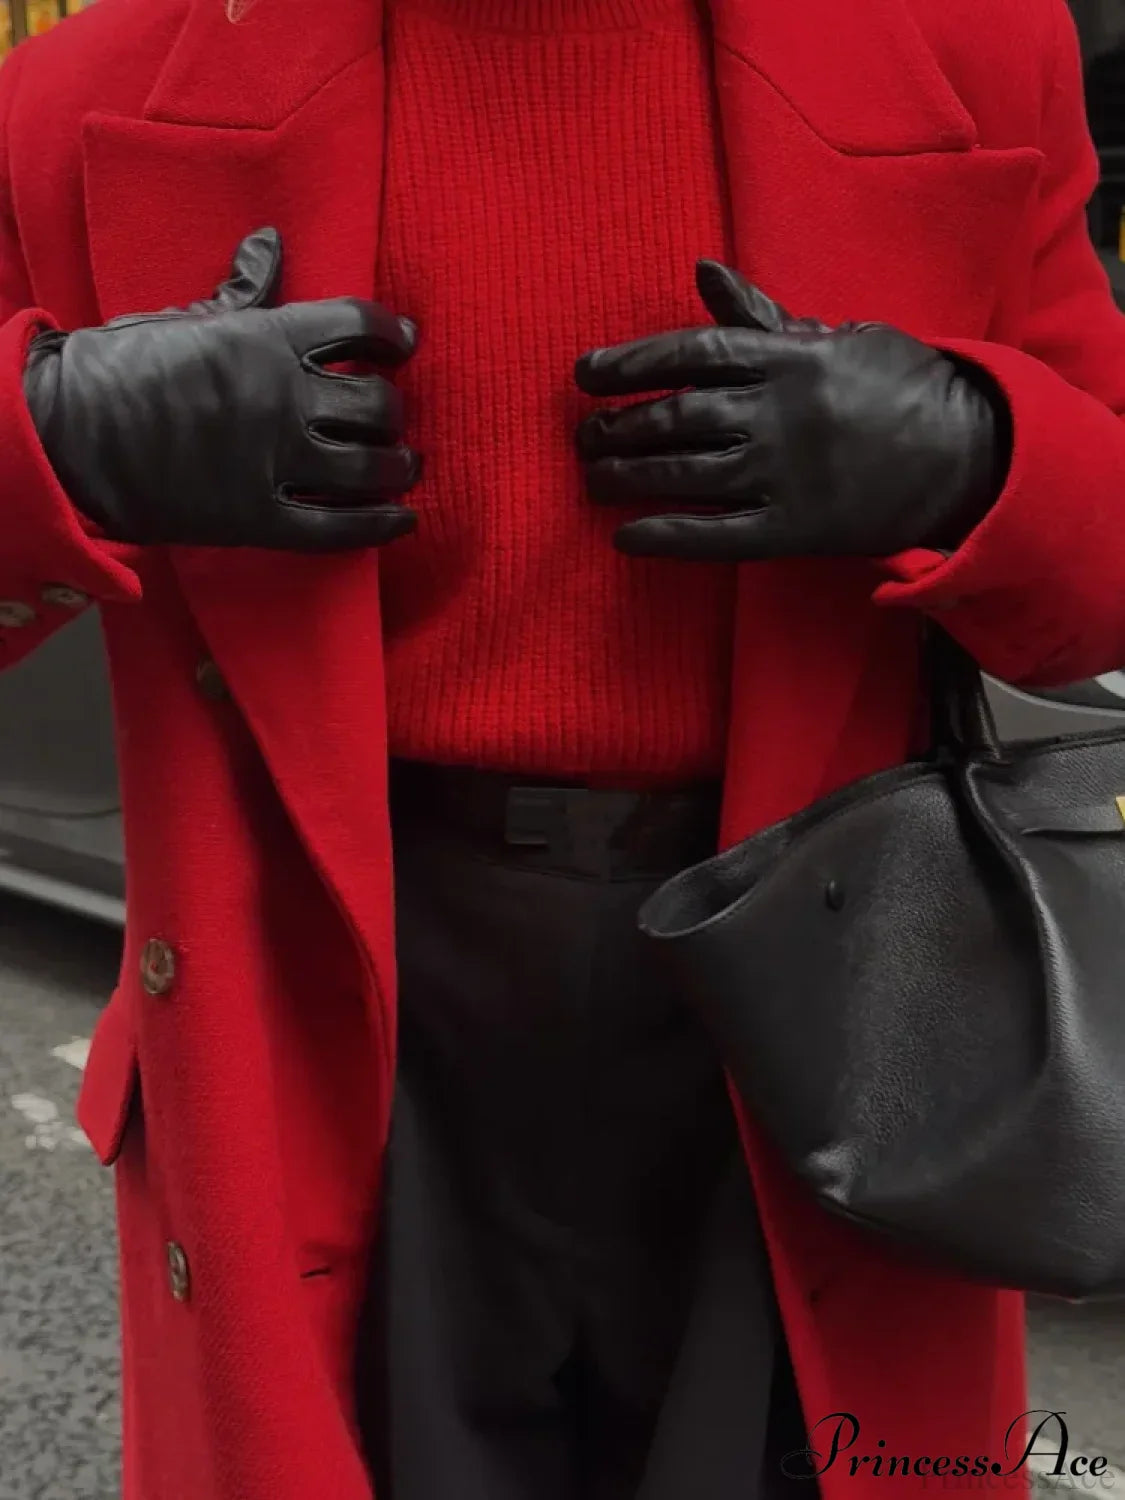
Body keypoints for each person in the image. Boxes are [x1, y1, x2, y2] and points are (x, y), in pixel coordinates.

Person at [1, 0, 1123, 1495]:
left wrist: (981, 451)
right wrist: (50, 441)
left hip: (829, 987)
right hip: (332, 1008)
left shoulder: (970, 46)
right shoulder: (85, 88)